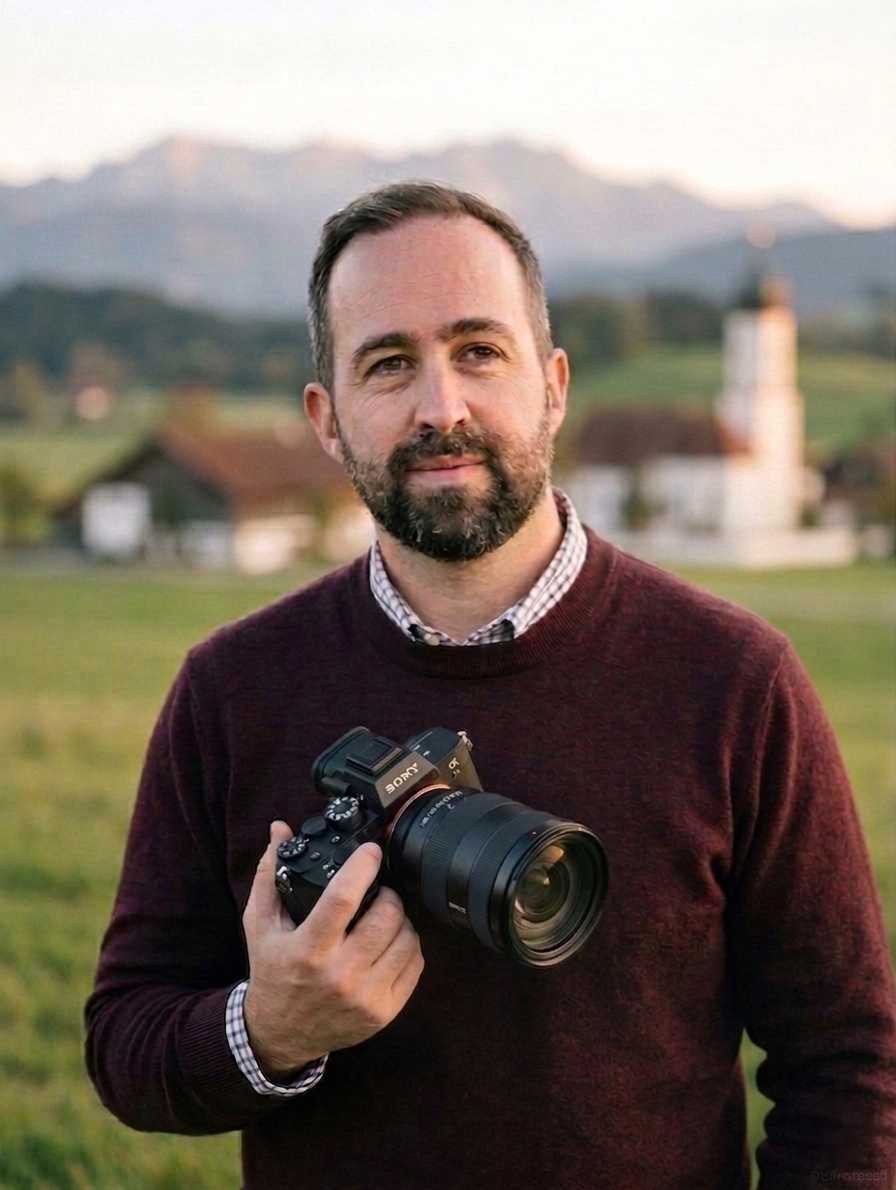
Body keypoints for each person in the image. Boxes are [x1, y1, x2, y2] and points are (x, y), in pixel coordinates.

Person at [85, 182, 896, 1189]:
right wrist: (268, 1028)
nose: (440, 407)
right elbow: (123, 1041)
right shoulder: (231, 688)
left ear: (551, 384)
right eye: (387, 364)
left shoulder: (734, 682)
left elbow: (848, 1068)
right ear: (326, 419)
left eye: (478, 350)